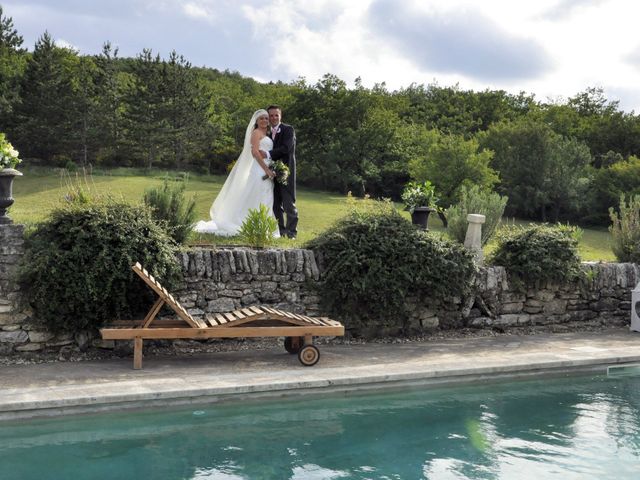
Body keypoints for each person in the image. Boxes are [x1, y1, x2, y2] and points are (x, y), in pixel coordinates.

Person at [194, 109, 279, 236]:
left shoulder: (266, 134)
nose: (265, 120)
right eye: (261, 118)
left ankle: (262, 225)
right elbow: (255, 152)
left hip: (268, 169)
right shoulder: (256, 133)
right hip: (258, 170)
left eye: (266, 118)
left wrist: (272, 168)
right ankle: (249, 223)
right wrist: (266, 169)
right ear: (256, 121)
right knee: (256, 195)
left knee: (265, 196)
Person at [262, 105, 298, 239]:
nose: (273, 118)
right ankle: (281, 231)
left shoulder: (288, 130)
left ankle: (292, 233)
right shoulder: (267, 132)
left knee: (289, 203)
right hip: (272, 173)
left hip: (286, 171)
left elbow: (286, 148)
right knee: (276, 204)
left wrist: (267, 153)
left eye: (276, 115)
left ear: (280, 116)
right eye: (271, 115)